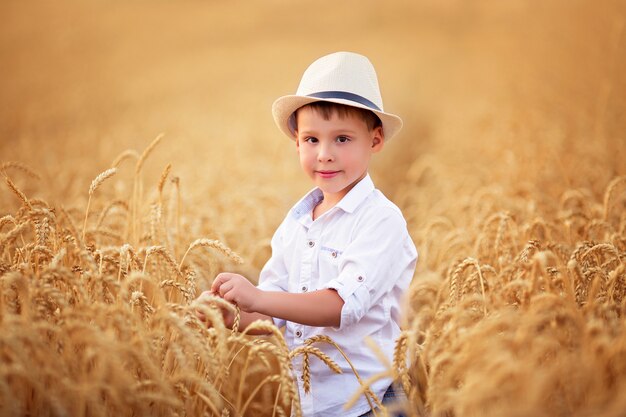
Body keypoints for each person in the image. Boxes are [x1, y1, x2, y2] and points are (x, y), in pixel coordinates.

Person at [195, 51, 417, 417]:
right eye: (312, 140)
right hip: (312, 405)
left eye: (342, 139)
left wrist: (258, 298)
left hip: (373, 402)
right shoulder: (296, 225)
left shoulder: (381, 221)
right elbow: (273, 317)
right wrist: (229, 317)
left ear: (375, 140)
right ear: (296, 142)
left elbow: (341, 305)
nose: (325, 154)